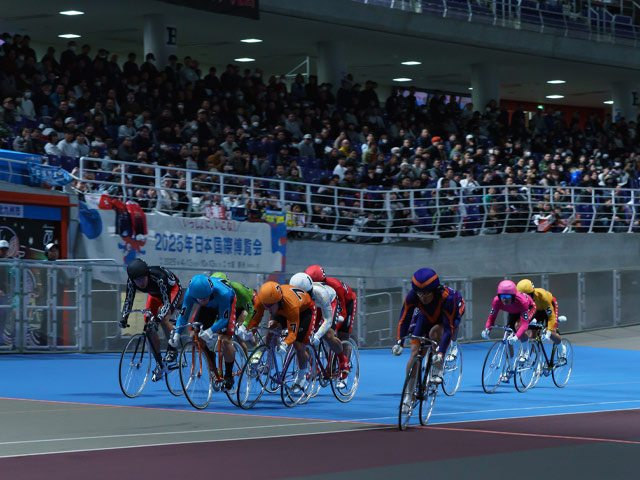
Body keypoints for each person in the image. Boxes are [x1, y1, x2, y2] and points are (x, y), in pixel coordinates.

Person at [391, 268, 465, 387]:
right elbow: (404, 319)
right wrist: (399, 342)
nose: (422, 298)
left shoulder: (448, 298)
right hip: (427, 316)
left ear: (434, 291)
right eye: (419, 294)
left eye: (426, 293)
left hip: (449, 315)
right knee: (415, 353)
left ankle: (438, 366)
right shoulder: (413, 295)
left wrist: (440, 353)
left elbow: (448, 328)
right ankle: (409, 394)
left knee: (435, 333)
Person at [244, 281, 317, 393]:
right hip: (281, 309)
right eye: (265, 306)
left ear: (278, 301)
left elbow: (292, 333)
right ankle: (269, 363)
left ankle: (302, 376)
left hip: (304, 311)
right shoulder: (263, 300)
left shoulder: (291, 305)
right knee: (271, 330)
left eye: (269, 306)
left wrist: (285, 344)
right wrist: (249, 332)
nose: (267, 309)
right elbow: (255, 319)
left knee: (298, 345)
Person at [170, 274, 237, 390]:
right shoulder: (191, 294)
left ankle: (229, 375)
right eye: (199, 300)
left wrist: (210, 331)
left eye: (204, 298)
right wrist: (177, 334)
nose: (201, 301)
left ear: (210, 292)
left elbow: (224, 319)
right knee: (194, 336)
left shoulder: (223, 293)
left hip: (226, 303)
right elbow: (184, 316)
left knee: (226, 340)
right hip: (209, 307)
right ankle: (211, 357)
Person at [121, 259, 183, 381]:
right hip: (154, 295)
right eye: (137, 281)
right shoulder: (132, 282)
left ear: (147, 275)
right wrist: (124, 317)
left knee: (164, 318)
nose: (140, 283)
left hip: (172, 291)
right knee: (149, 327)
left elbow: (166, 303)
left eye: (142, 279)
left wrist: (158, 320)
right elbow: (129, 300)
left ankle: (173, 349)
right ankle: (160, 364)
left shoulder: (158, 276)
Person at [288, 272, 350, 385]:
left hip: (329, 303)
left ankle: (343, 362)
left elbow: (327, 320)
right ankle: (314, 368)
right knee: (304, 336)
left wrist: (317, 335)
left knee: (328, 335)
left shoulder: (321, 293)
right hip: (312, 308)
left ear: (311, 290)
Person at [482, 280, 537, 382]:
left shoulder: (522, 301)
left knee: (518, 326)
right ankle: (510, 368)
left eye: (507, 297)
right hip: (513, 311)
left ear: (513, 296)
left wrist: (516, 337)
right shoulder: (496, 301)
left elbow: (524, 325)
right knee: (507, 338)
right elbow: (491, 318)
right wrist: (487, 330)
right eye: (502, 296)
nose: (504, 299)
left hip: (527, 308)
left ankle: (525, 352)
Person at [304, 265, 357, 344]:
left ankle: (344, 353)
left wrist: (333, 329)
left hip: (347, 303)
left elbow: (343, 313)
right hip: (325, 303)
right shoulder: (305, 287)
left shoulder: (337, 287)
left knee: (342, 335)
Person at [516, 279, 566, 359]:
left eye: (528, 296)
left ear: (533, 293)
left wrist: (549, 331)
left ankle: (561, 349)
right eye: (522, 297)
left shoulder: (543, 297)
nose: (525, 299)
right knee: (532, 335)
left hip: (548, 307)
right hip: (536, 310)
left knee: (552, 334)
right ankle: (537, 361)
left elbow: (551, 316)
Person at [211, 272, 256, 349]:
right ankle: (246, 356)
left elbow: (250, 310)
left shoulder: (239, 290)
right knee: (234, 332)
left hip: (250, 301)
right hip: (236, 305)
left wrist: (245, 325)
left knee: (241, 324)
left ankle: (255, 343)